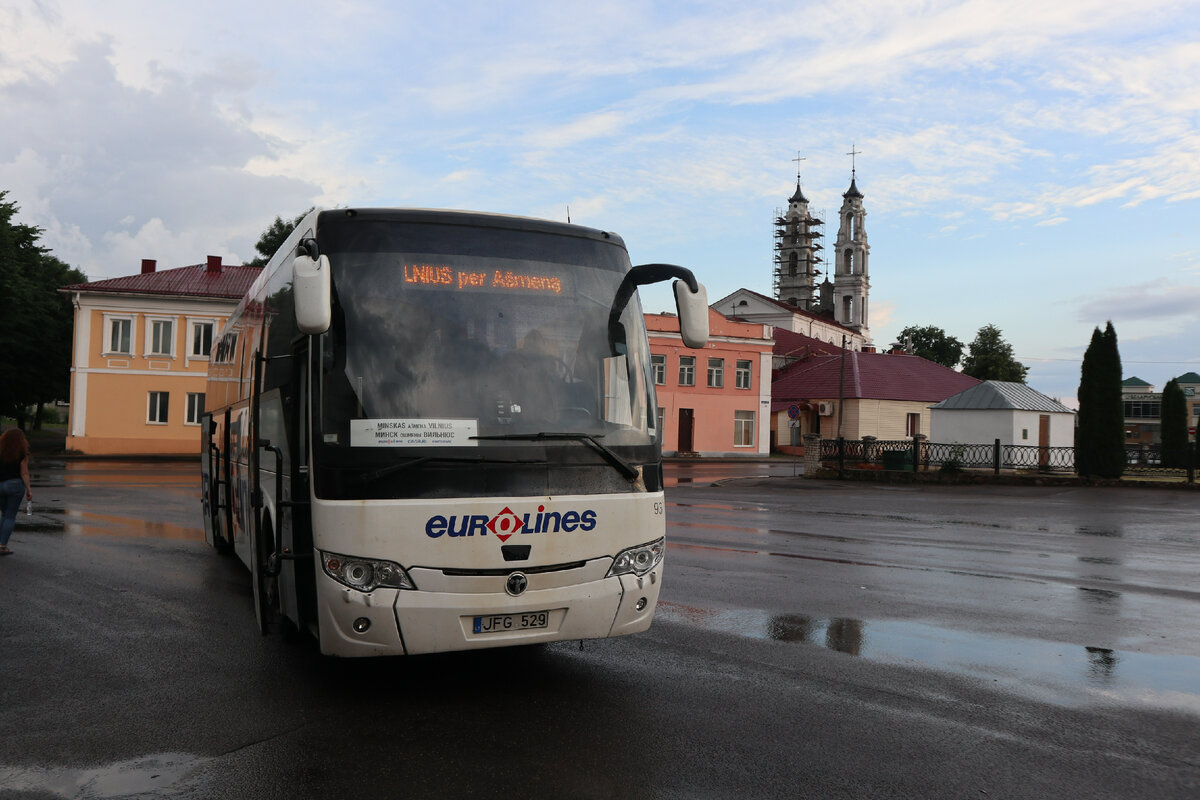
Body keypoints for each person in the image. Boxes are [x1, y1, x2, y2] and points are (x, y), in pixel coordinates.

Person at [0, 428, 32, 556]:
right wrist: (29, 489)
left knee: (4, 514)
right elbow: (24, 472)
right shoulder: (22, 452)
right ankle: (2, 546)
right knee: (10, 516)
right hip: (15, 485)